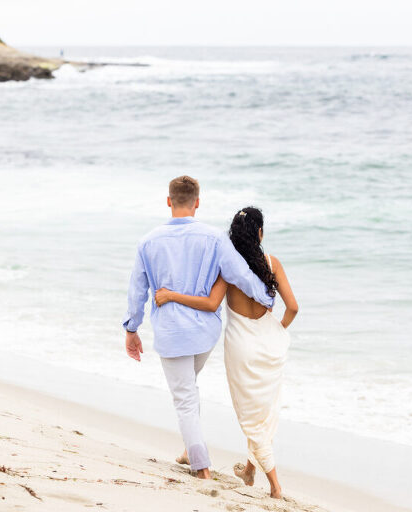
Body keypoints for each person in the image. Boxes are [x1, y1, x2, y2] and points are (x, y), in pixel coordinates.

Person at [122, 177, 275, 480]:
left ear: (169, 201)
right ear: (197, 202)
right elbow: (240, 274)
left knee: (184, 398)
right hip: (205, 334)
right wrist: (267, 296)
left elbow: (137, 290)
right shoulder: (214, 238)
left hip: (172, 333)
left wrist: (132, 328)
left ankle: (201, 467)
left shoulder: (148, 241)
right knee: (188, 390)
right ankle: (189, 450)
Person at [154, 206, 298, 498]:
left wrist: (170, 295)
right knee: (263, 411)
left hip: (242, 349)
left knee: (248, 414)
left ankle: (276, 487)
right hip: (271, 345)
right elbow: (293, 307)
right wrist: (278, 329)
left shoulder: (229, 268)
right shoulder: (273, 263)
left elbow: (209, 304)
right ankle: (249, 469)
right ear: (260, 233)